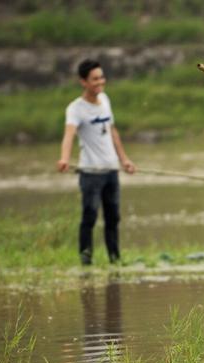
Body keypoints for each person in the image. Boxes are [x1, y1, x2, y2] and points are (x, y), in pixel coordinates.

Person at [57, 59, 136, 266]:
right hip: (90, 173)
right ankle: (86, 259)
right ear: (83, 82)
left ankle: (115, 258)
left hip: (111, 170)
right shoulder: (75, 109)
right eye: (95, 79)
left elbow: (112, 131)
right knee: (89, 216)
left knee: (113, 218)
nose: (100, 82)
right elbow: (69, 135)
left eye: (101, 77)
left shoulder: (105, 100)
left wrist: (124, 160)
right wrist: (65, 158)